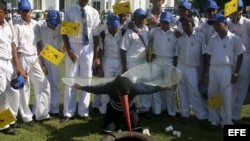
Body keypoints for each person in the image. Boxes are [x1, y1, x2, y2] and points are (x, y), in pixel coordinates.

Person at [73, 75, 169, 134]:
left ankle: (126, 122)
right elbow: (96, 90)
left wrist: (162, 88)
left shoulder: (134, 88)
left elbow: (148, 89)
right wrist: (82, 87)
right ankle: (116, 122)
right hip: (114, 110)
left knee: (137, 130)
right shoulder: (110, 87)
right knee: (107, 132)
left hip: (130, 109)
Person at [61, 0, 100, 122]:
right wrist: (68, 49)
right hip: (73, 45)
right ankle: (68, 112)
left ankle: (83, 111)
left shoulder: (94, 12)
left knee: (86, 80)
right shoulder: (69, 11)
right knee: (71, 79)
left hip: (87, 47)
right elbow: (64, 32)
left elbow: (96, 34)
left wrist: (96, 54)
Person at [204, 13, 245, 128]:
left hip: (226, 69)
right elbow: (208, 56)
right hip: (213, 68)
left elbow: (240, 55)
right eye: (214, 25)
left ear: (225, 24)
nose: (215, 27)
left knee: (226, 96)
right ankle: (214, 119)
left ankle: (226, 121)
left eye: (218, 24)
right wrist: (207, 72)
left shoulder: (234, 38)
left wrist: (236, 72)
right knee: (213, 94)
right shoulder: (213, 39)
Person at [14, 0, 51, 125]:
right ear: (19, 11)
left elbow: (39, 44)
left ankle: (41, 113)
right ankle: (27, 117)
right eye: (23, 11)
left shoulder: (36, 25)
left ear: (31, 10)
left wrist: (43, 63)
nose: (26, 13)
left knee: (44, 84)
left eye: (27, 10)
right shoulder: (16, 26)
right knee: (25, 89)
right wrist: (18, 66)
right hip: (23, 56)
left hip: (35, 57)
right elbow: (14, 47)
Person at [174, 15, 208, 125]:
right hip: (181, 65)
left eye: (187, 24)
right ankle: (185, 114)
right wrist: (175, 69)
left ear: (193, 24)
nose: (185, 27)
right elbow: (176, 54)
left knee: (194, 92)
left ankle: (202, 116)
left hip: (193, 67)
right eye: (183, 25)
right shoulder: (180, 38)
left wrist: (205, 71)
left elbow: (204, 54)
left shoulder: (200, 36)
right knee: (182, 91)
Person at [0, 0, 26, 135]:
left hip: (8, 63)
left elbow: (13, 46)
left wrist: (18, 66)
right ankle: (4, 125)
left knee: (14, 93)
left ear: (5, 12)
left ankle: (10, 119)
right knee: (2, 94)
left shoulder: (9, 26)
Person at [120, 8, 150, 116]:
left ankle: (145, 108)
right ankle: (133, 108)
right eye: (139, 18)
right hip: (132, 62)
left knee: (144, 85)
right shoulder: (129, 32)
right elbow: (123, 50)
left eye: (143, 17)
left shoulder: (147, 29)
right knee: (132, 86)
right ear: (134, 19)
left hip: (143, 61)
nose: (141, 20)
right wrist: (124, 67)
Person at [149, 11, 177, 116]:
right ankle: (157, 110)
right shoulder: (154, 31)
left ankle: (171, 112)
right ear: (160, 22)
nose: (165, 25)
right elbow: (149, 43)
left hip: (169, 60)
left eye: (167, 23)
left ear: (171, 22)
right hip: (156, 59)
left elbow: (176, 50)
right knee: (156, 86)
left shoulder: (174, 33)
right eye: (163, 22)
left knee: (169, 87)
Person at [37, 10, 63, 118]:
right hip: (44, 56)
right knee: (43, 84)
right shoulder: (40, 27)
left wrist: (62, 51)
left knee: (55, 83)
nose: (54, 25)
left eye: (56, 22)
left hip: (55, 56)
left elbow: (69, 40)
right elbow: (38, 45)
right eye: (52, 22)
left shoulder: (60, 27)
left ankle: (55, 109)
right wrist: (42, 64)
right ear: (47, 20)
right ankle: (42, 109)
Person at [228, 0, 250, 123]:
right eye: (235, 10)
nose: (238, 12)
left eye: (240, 10)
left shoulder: (247, 23)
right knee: (228, 87)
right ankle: (225, 113)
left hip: (245, 57)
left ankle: (235, 116)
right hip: (230, 58)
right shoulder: (227, 23)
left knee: (241, 88)